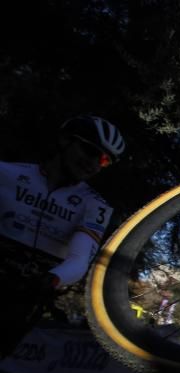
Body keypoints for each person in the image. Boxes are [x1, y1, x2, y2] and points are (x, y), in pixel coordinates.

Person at [0, 115, 124, 357]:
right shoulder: (6, 174)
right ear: (65, 140)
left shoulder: (95, 206)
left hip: (24, 297)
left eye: (105, 160)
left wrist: (53, 279)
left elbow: (79, 259)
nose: (94, 164)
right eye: (90, 151)